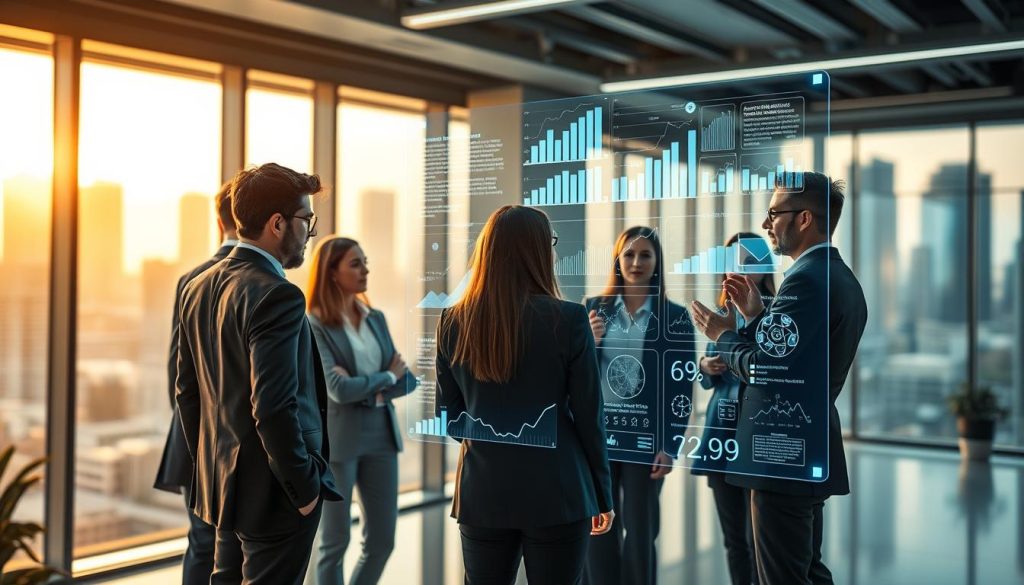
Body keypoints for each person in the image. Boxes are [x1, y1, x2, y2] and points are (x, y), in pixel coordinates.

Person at [690, 172, 867, 585]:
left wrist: (723, 335)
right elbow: (792, 362)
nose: (767, 224)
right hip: (803, 451)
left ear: (804, 218)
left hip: (781, 456)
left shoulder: (804, 280)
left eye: (774, 213)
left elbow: (767, 370)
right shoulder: (837, 277)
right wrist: (755, 317)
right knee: (806, 571)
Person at [175, 163, 344, 585]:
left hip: (223, 489)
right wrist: (303, 489)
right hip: (273, 495)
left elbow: (186, 392)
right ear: (277, 223)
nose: (311, 233)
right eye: (307, 221)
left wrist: (210, 467)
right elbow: (272, 407)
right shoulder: (278, 294)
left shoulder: (198, 285)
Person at [435, 205, 614, 585]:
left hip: (482, 494)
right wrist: (602, 495)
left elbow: (450, 415)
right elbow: (588, 417)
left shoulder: (451, 320)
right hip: (559, 493)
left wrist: (493, 441)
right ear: (538, 251)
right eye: (550, 243)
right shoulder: (568, 318)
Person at [583, 226, 692, 585]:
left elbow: (681, 389)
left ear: (657, 261)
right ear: (617, 259)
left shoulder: (674, 317)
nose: (636, 262)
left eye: (645, 254)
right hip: (600, 437)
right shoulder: (593, 310)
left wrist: (670, 445)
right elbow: (574, 375)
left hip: (646, 442)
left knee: (641, 528)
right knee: (598, 524)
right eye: (629, 254)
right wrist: (589, 343)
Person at [306, 236, 417, 585]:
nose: (366, 269)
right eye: (355, 263)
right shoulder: (315, 325)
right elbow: (337, 390)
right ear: (332, 273)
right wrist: (384, 377)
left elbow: (408, 380)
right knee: (334, 543)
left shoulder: (377, 319)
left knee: (382, 541)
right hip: (340, 445)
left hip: (382, 439)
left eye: (365, 261)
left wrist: (367, 386)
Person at [154, 181, 240, 585]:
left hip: (194, 442)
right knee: (234, 549)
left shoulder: (191, 278)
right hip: (236, 445)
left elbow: (178, 373)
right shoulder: (262, 281)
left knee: (203, 544)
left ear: (218, 219)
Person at [693, 232, 776, 585]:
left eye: (749, 261)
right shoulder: (723, 310)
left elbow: (772, 371)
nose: (739, 269)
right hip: (721, 430)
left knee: (762, 541)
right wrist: (705, 364)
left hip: (756, 432)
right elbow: (708, 376)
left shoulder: (777, 310)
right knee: (734, 540)